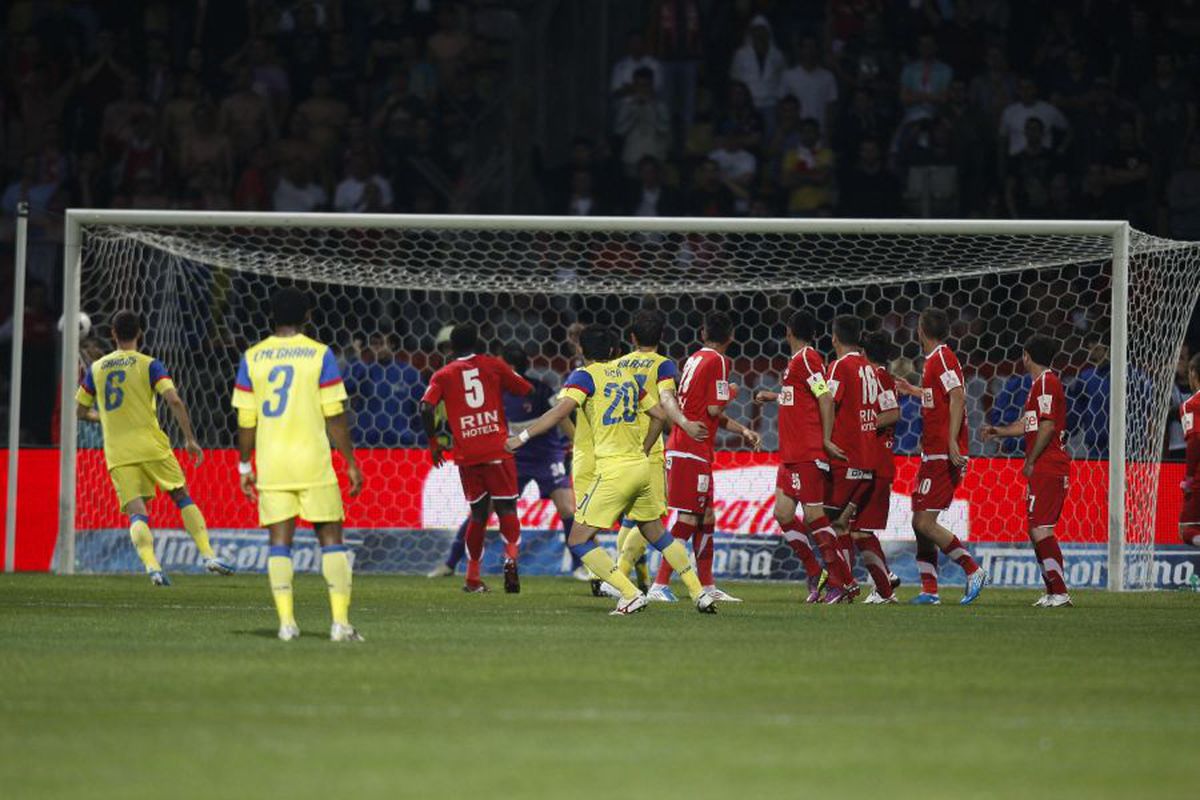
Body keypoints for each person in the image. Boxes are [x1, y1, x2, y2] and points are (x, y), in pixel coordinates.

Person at [505, 325, 717, 615]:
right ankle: (699, 593)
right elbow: (659, 415)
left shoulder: (584, 377)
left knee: (578, 538)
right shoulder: (629, 377)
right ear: (613, 351)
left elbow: (558, 412)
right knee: (656, 532)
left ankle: (629, 593)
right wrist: (645, 447)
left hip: (614, 471)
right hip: (641, 467)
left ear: (582, 351)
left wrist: (521, 438)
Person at [232, 288, 364, 642]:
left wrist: (245, 466)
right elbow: (334, 413)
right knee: (332, 540)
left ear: (272, 316)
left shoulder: (253, 357)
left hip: (273, 463)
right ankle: (340, 624)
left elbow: (246, 420)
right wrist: (350, 461)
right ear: (308, 315)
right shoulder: (320, 355)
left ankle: (287, 624)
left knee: (279, 542)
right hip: (313, 461)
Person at [76, 311, 233, 586]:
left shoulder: (97, 369)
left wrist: (104, 417)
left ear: (113, 333)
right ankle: (208, 555)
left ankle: (153, 568)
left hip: (118, 452)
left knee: (137, 511)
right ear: (140, 333)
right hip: (152, 446)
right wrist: (189, 439)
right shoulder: (150, 365)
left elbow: (80, 411)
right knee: (181, 496)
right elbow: (173, 400)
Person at [429, 343, 578, 581]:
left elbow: (561, 416)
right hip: (511, 456)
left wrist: (576, 441)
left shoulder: (539, 390)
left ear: (508, 366)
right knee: (482, 510)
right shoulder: (492, 390)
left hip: (545, 455)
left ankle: (580, 565)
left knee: (567, 507)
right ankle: (450, 563)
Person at [649, 312, 761, 603]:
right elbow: (714, 408)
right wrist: (734, 390)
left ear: (702, 333)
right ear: (731, 336)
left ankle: (708, 585)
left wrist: (742, 429)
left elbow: (707, 411)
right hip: (690, 447)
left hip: (692, 446)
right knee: (687, 517)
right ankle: (659, 584)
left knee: (706, 517)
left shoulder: (694, 359)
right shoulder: (720, 361)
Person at [420, 324, 532, 593]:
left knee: (478, 515)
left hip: (468, 454)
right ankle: (511, 557)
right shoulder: (492, 365)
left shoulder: (443, 374)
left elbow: (425, 406)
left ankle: (472, 577)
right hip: (497, 448)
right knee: (507, 509)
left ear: (451, 348)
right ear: (478, 343)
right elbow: (524, 388)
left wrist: (434, 443)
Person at [607, 310, 707, 593]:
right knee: (653, 517)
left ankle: (624, 577)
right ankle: (618, 579)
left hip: (618, 447)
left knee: (632, 518)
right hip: (647, 451)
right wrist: (684, 422)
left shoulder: (619, 365)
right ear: (662, 337)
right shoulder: (663, 366)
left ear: (632, 337)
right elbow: (665, 398)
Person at [895, 308, 988, 605]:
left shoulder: (943, 357)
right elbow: (941, 396)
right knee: (918, 521)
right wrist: (913, 390)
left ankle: (973, 570)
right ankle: (930, 590)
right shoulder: (933, 361)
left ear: (921, 330)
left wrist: (951, 443)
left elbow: (958, 394)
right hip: (932, 451)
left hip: (942, 453)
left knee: (924, 523)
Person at [752, 312, 844, 603]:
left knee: (815, 516)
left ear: (788, 331)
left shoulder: (807, 358)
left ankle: (840, 583)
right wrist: (774, 396)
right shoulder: (797, 363)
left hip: (807, 452)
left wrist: (826, 440)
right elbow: (801, 398)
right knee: (783, 513)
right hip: (790, 454)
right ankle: (815, 571)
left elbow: (824, 396)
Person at [982, 334, 1074, 608]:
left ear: (1026, 355)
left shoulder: (1046, 382)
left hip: (1049, 466)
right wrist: (999, 431)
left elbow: (1046, 426)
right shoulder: (1039, 385)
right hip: (1045, 466)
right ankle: (1053, 591)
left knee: (1041, 529)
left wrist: (1031, 460)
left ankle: (1059, 592)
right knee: (1036, 529)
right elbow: (1029, 424)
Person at [822, 316, 876, 602]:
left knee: (822, 521)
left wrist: (826, 439)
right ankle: (848, 583)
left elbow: (829, 400)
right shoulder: (869, 368)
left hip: (846, 456)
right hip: (868, 458)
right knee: (842, 523)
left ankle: (842, 582)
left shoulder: (840, 366)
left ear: (834, 338)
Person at [855, 331, 902, 604]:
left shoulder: (880, 377)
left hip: (877, 462)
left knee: (859, 530)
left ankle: (884, 589)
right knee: (858, 529)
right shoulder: (872, 378)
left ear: (863, 353)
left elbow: (893, 412)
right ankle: (885, 579)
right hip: (868, 461)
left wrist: (864, 426)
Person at [1178, 353, 1200, 548]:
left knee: (1187, 530)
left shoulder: (1191, 404)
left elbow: (1194, 441)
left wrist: (1189, 477)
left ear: (1193, 374)